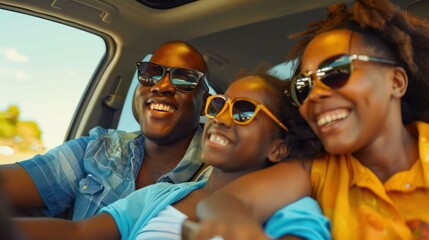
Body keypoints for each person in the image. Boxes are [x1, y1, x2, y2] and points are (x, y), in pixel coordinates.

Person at [186, 0, 429, 239]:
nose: (314, 95)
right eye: (303, 87)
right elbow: (225, 202)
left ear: (395, 82)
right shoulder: (318, 169)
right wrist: (238, 226)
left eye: (334, 72)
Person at [15, 73, 330, 240]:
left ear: (279, 147)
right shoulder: (161, 196)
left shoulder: (293, 209)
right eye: (219, 105)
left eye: (244, 112)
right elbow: (78, 232)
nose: (221, 118)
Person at [0, 40, 212, 220]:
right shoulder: (99, 147)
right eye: (151, 73)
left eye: (185, 79)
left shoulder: (214, 178)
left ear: (204, 104)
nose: (161, 86)